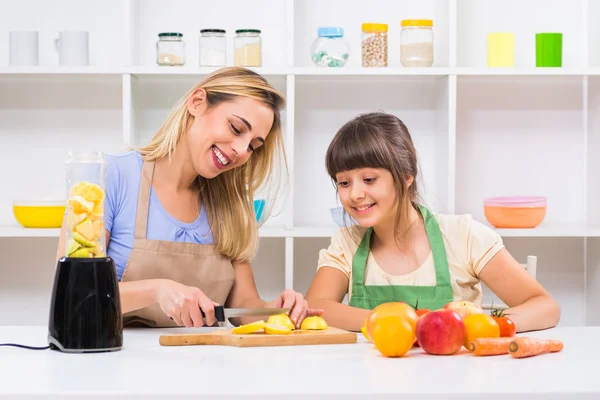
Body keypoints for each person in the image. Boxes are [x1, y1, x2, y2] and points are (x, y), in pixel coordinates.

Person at [57, 67, 320, 329]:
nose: (241, 151)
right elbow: (75, 292)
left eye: (253, 146)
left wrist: (275, 310)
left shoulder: (232, 205)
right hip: (116, 358)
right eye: (236, 128)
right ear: (197, 103)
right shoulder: (108, 177)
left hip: (203, 361)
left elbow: (242, 305)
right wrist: (158, 291)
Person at [305, 112, 560, 333]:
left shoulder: (463, 235)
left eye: (369, 179)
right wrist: (404, 322)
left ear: (406, 178)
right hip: (373, 380)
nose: (355, 194)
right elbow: (317, 306)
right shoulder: (347, 243)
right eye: (344, 182)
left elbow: (544, 306)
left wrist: (484, 325)